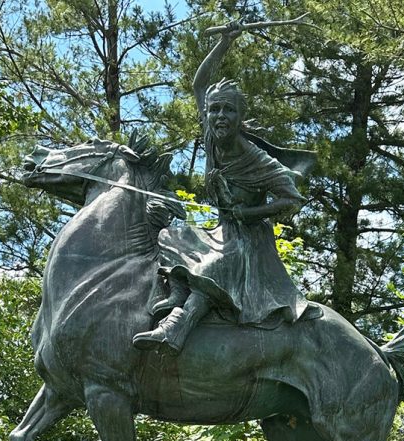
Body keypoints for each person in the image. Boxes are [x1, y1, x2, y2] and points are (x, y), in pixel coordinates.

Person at [133, 22, 317, 355]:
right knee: (169, 231)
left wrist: (252, 212)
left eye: (228, 110)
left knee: (213, 267)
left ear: (240, 116)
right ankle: (176, 294)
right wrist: (224, 42)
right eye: (214, 109)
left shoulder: (256, 160)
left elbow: (292, 198)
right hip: (222, 230)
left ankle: (176, 330)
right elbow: (199, 84)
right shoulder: (211, 136)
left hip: (249, 241)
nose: (220, 116)